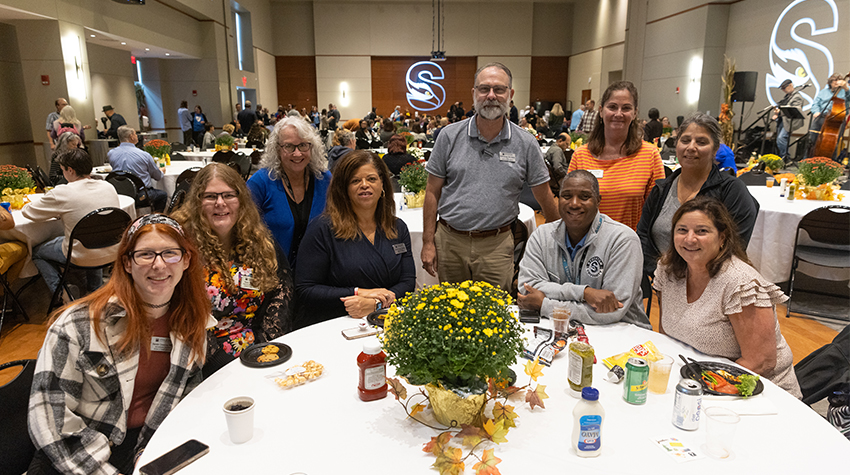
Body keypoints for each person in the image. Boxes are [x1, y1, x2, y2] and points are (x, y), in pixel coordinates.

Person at [27, 214, 213, 475]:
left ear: (186, 260)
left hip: (146, 443)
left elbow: (184, 398)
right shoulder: (78, 324)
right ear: (127, 263)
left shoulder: (191, 321)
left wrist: (151, 452)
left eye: (170, 253)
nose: (159, 265)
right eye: (146, 255)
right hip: (77, 451)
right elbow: (48, 417)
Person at [422, 62, 558, 291]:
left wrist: (558, 239)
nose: (491, 96)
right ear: (474, 94)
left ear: (510, 94)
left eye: (499, 89)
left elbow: (544, 196)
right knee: (451, 308)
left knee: (495, 310)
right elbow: (432, 191)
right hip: (449, 243)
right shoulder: (449, 136)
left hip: (497, 246)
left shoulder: (526, 143)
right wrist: (428, 242)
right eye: (484, 89)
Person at [653, 197, 802, 398]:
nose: (689, 239)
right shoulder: (668, 269)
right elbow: (667, 334)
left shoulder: (740, 283)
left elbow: (761, 362)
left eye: (701, 231)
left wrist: (705, 389)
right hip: (693, 378)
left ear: (722, 237)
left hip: (755, 391)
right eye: (682, 230)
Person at [172, 164, 294, 377]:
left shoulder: (258, 240)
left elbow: (281, 290)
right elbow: (177, 312)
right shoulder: (181, 245)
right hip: (201, 359)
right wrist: (222, 362)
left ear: (241, 200)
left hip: (255, 350)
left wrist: (265, 346)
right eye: (210, 196)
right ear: (198, 202)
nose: (220, 203)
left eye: (228, 195)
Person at [295, 151, 415, 328]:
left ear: (382, 183)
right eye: (355, 181)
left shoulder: (398, 228)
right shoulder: (322, 229)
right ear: (343, 188)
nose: (364, 185)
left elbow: (408, 282)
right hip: (335, 324)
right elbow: (305, 289)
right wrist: (358, 293)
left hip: (387, 321)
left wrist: (376, 304)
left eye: (371, 179)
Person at [518, 171, 650, 328]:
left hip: (621, 330)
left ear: (598, 201)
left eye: (584, 197)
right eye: (566, 196)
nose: (574, 203)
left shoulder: (623, 240)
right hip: (562, 329)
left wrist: (545, 305)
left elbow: (612, 311)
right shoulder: (541, 235)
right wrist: (584, 293)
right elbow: (527, 288)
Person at [637, 112, 758, 280]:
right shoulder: (661, 189)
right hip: (661, 282)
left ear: (715, 149)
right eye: (685, 140)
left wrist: (688, 281)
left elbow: (734, 249)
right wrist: (659, 276)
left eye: (701, 142)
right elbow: (643, 237)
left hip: (711, 284)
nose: (691, 147)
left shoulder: (732, 191)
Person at [25, 149, 121, 303]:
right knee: (94, 237)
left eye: (62, 170)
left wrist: (58, 211)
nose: (63, 174)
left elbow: (29, 212)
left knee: (37, 252)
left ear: (70, 170)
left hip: (81, 255)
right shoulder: (108, 186)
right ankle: (95, 290)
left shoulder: (63, 192)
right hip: (113, 251)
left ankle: (63, 294)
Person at [568, 81, 665, 230]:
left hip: (631, 241)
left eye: (626, 108)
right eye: (612, 107)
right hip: (586, 241)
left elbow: (655, 212)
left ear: (634, 113)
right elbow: (570, 205)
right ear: (601, 111)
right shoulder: (580, 155)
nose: (618, 114)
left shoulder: (650, 155)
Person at [247, 116, 330, 268]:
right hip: (271, 270)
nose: (297, 153)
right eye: (289, 146)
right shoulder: (260, 182)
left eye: (303, 145)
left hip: (319, 271)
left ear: (312, 147)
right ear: (277, 149)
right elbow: (243, 227)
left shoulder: (325, 179)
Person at [107, 125, 168, 212]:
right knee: (162, 195)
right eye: (135, 134)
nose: (137, 136)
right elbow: (157, 177)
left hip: (120, 193)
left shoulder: (111, 153)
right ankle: (155, 217)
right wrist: (161, 171)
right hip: (140, 195)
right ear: (131, 136)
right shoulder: (144, 155)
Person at [809, 73, 850, 157]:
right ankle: (810, 158)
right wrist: (816, 111)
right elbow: (815, 104)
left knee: (834, 141)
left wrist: (846, 88)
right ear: (830, 82)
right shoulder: (823, 92)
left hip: (838, 119)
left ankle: (830, 160)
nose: (836, 82)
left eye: (838, 80)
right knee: (813, 138)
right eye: (834, 80)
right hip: (822, 117)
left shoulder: (845, 90)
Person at [771, 79, 803, 161]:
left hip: (790, 122)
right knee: (779, 139)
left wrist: (780, 112)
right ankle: (784, 157)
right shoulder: (787, 97)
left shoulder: (797, 97)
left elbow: (793, 110)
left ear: (790, 85)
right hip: (783, 121)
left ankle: (785, 157)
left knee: (781, 139)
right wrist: (777, 113)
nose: (783, 90)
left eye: (784, 88)